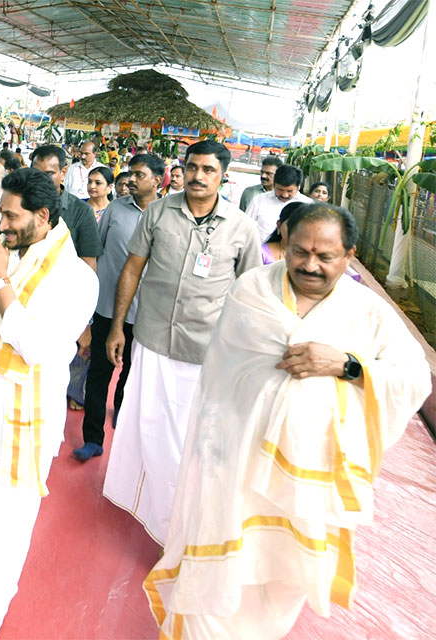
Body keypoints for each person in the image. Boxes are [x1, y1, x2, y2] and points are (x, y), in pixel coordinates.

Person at [145, 204, 430, 639]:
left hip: (309, 482)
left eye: (325, 256)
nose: (309, 265)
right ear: (284, 240)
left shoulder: (367, 313)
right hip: (238, 462)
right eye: (300, 251)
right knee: (220, 571)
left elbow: (411, 378)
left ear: (349, 255)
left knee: (282, 580)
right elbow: (223, 376)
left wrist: (347, 365)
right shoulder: (252, 291)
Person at [0, 167, 98, 638]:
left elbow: (36, 346)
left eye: (11, 215)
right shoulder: (3, 252)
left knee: (5, 532)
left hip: (23, 422)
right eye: (0, 213)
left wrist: (0, 281)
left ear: (43, 216)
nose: (2, 223)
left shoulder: (75, 278)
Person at [101, 140, 263, 544]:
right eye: (192, 167)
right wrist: (118, 325)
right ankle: (159, 516)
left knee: (192, 441)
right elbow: (132, 269)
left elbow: (250, 293)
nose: (197, 176)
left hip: (206, 351)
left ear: (223, 175)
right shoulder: (158, 212)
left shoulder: (242, 227)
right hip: (153, 341)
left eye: (208, 169)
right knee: (150, 429)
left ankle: (181, 520)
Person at [72, 153, 164, 462]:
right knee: (99, 373)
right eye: (131, 174)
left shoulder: (167, 214)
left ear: (157, 180)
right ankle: (92, 439)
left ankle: (124, 434)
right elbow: (96, 250)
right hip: (107, 307)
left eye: (140, 175)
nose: (132, 180)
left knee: (132, 377)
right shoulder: (116, 208)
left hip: (146, 313)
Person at [29, 145, 103, 268]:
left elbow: (88, 265)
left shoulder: (82, 212)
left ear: (63, 172)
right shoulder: (20, 204)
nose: (41, 180)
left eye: (49, 174)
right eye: (36, 174)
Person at [246, 165, 311, 241]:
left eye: (290, 191)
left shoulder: (308, 205)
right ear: (274, 185)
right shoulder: (258, 200)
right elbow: (246, 227)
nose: (284, 195)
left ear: (298, 187)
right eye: (280, 190)